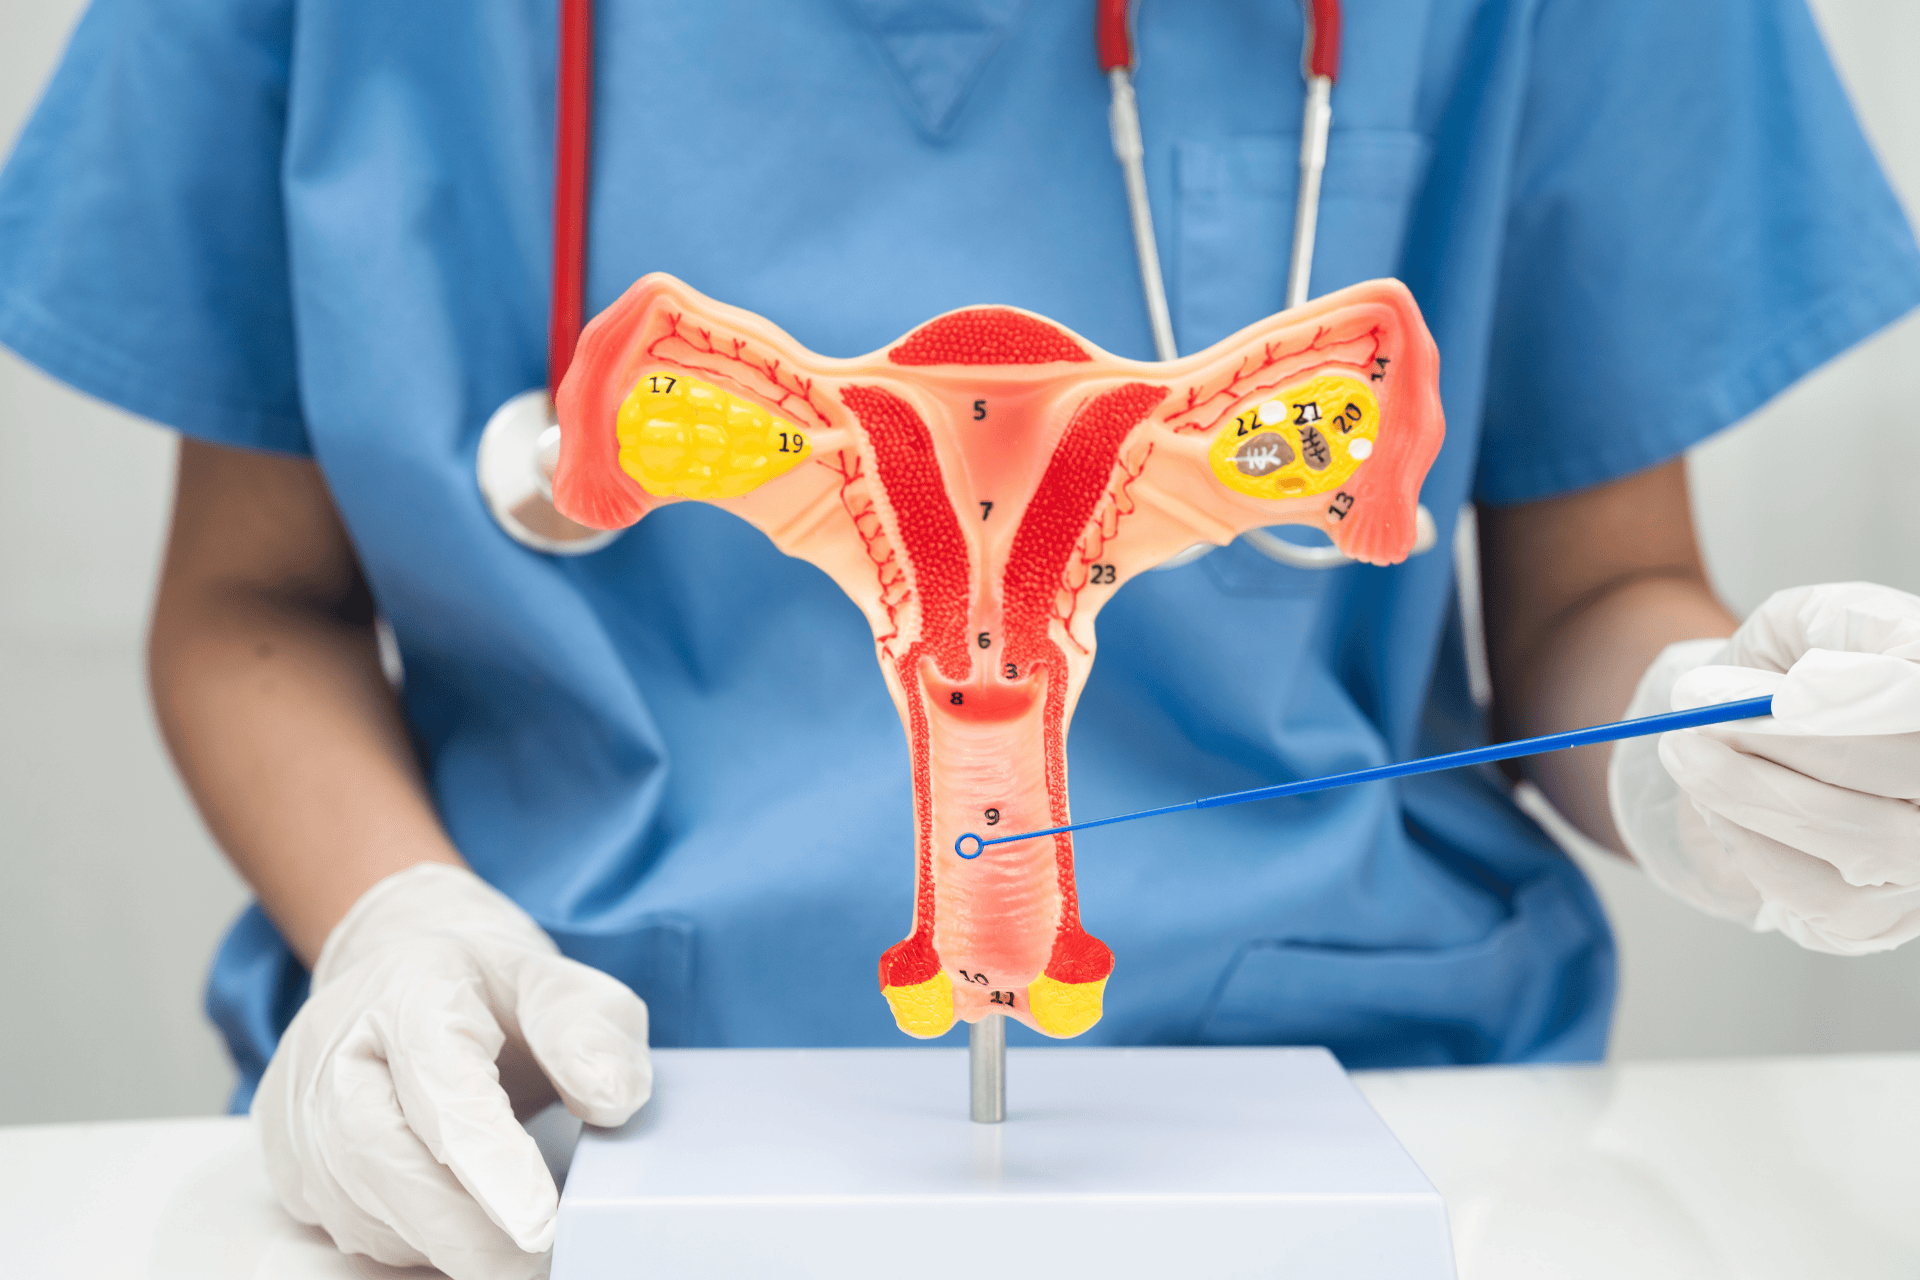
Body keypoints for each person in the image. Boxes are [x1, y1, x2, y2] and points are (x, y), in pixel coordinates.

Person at [3, 1, 1918, 1276]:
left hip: (1393, 1134)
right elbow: (257, 601)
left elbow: (1591, 599)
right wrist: (397, 931)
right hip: (542, 1138)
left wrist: (1707, 746)